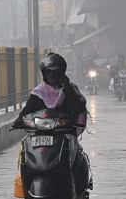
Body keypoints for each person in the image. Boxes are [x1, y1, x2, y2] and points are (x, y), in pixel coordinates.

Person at [13, 53, 90, 190]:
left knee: (77, 155)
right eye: (49, 72)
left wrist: (67, 89)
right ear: (44, 74)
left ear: (62, 72)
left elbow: (78, 107)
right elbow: (28, 110)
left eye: (55, 72)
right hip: (41, 133)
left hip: (64, 132)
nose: (52, 76)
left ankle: (77, 187)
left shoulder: (70, 90)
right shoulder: (38, 92)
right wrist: (20, 120)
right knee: (25, 153)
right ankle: (26, 189)